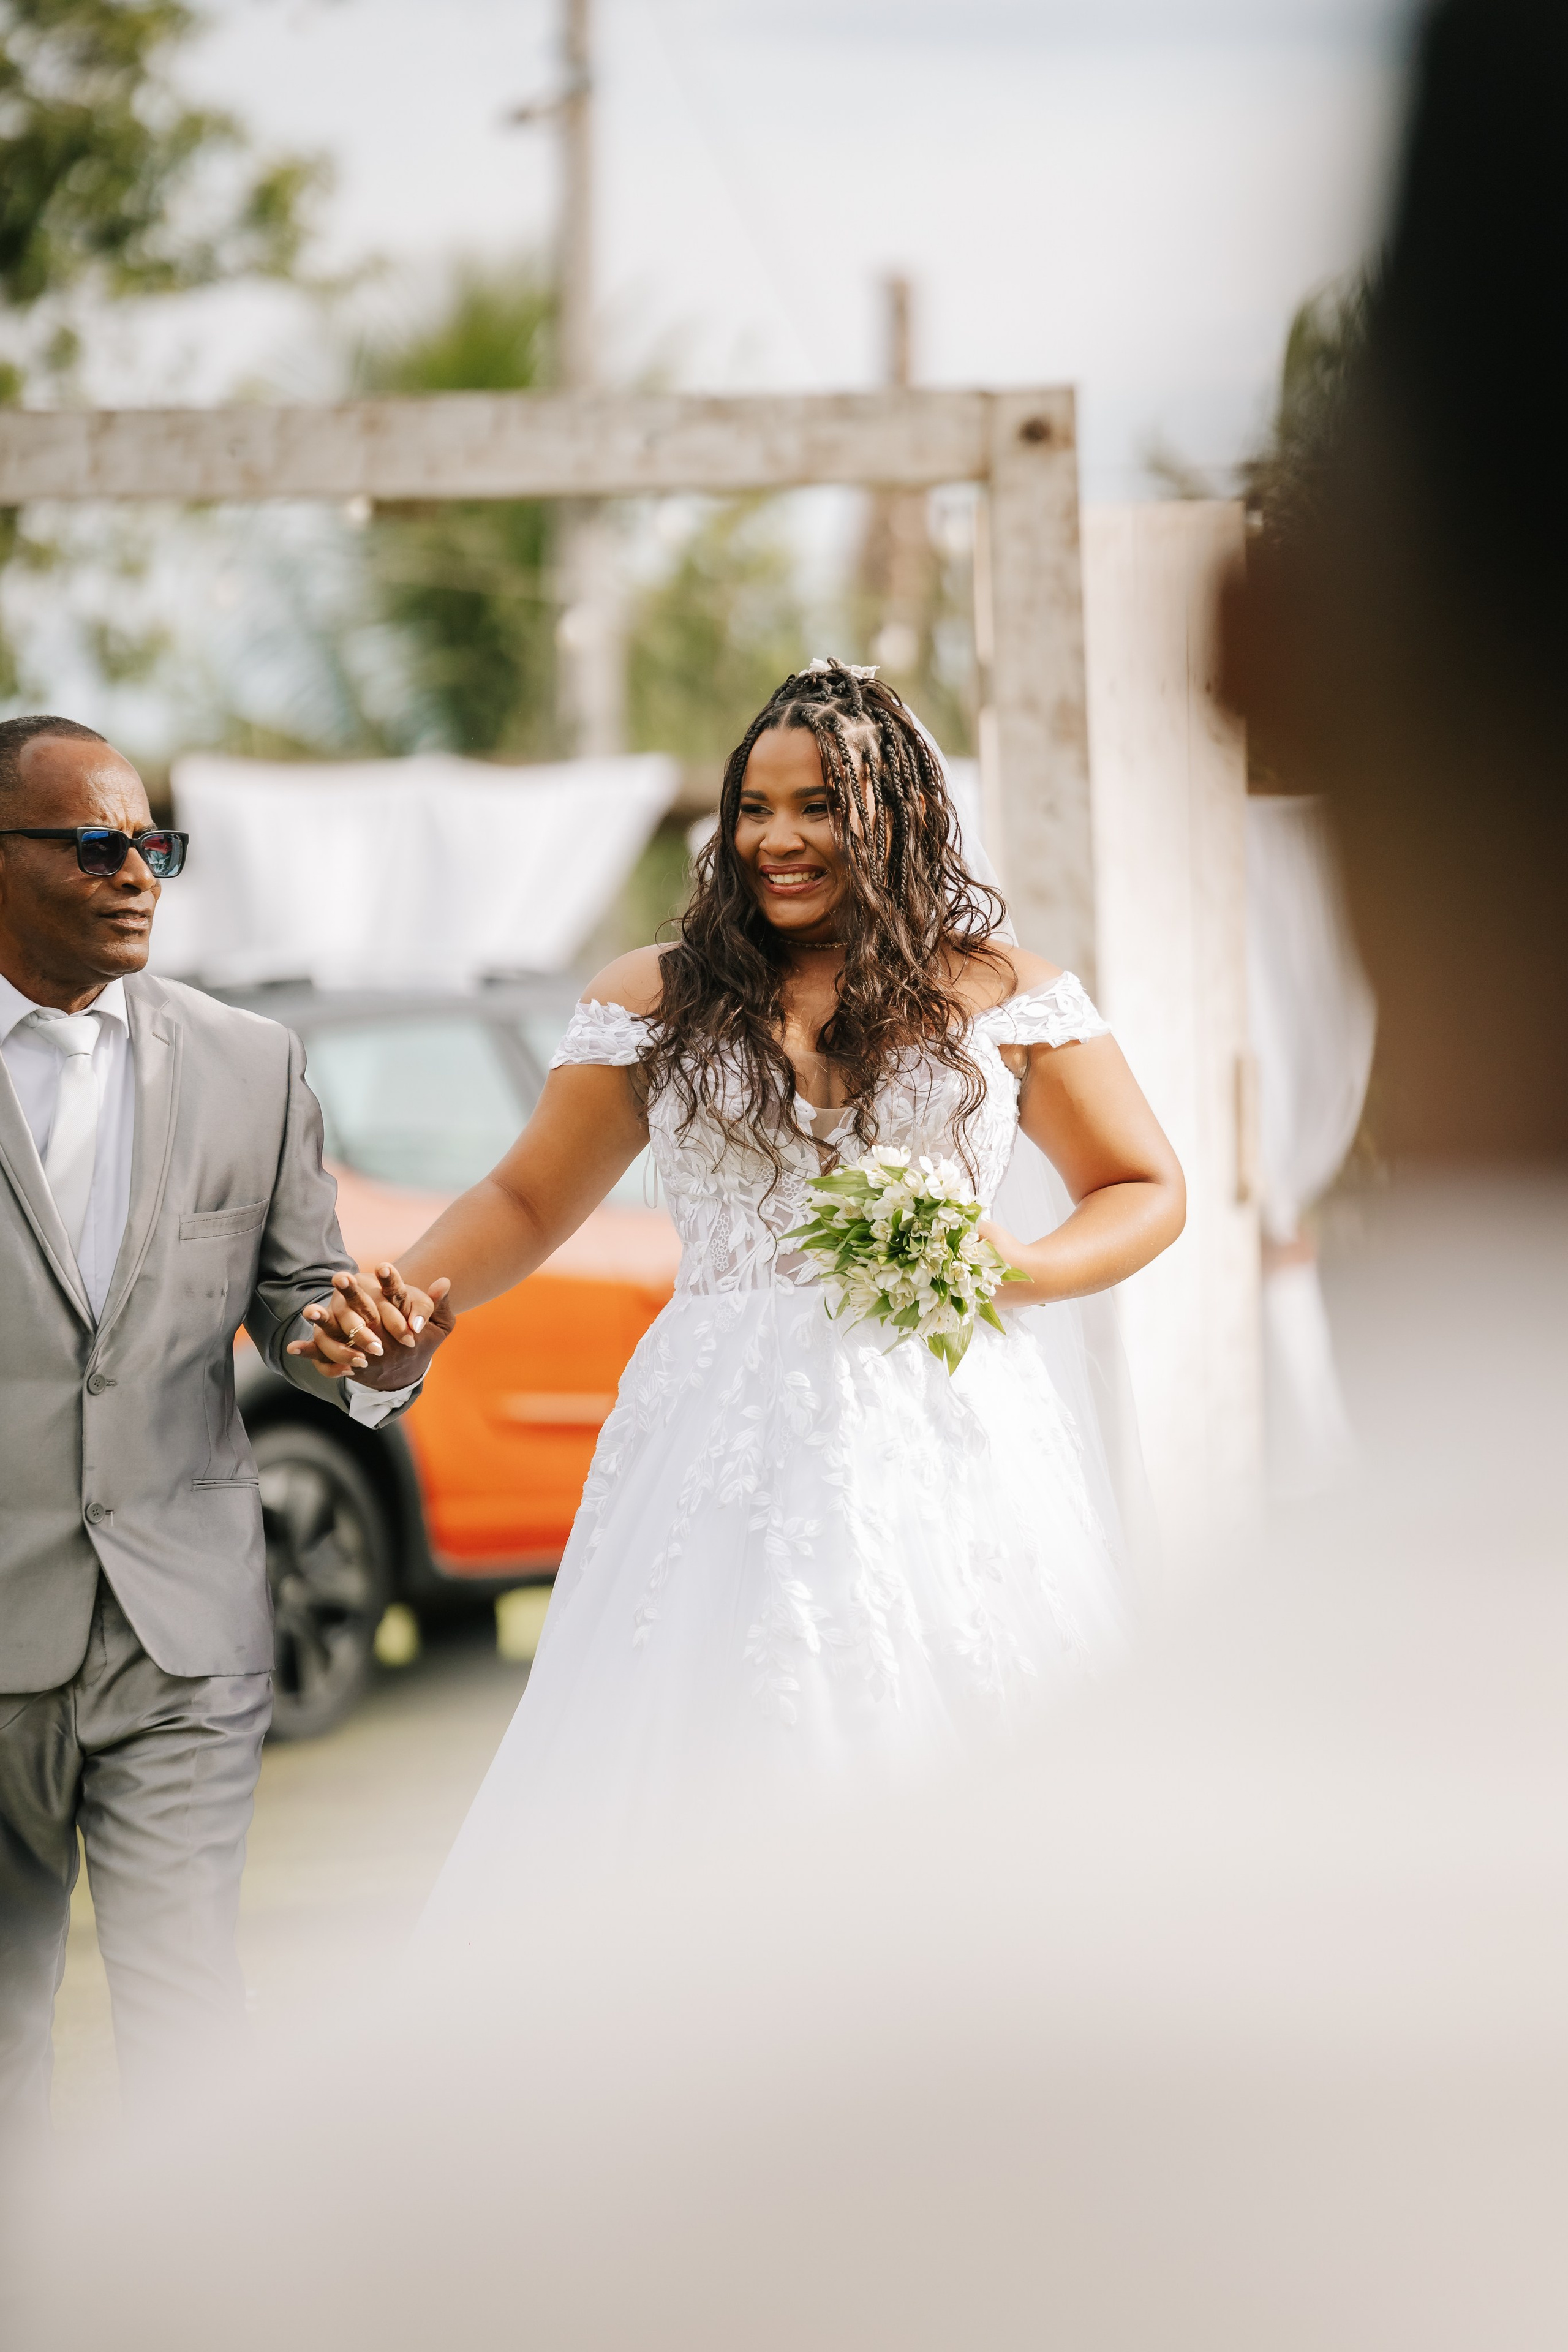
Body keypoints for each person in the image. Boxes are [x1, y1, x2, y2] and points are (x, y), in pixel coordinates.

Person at [292, 659, 1185, 1931]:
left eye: (818, 805)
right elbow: (528, 1201)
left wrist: (1013, 1267)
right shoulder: (653, 997)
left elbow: (1144, 1185)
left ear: (899, 815)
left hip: (950, 1426)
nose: (777, 838)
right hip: (716, 1430)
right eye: (754, 807)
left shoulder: (1004, 993)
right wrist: (411, 1307)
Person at [0, 715, 441, 2142]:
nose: (138, 876)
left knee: (188, 2016)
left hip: (182, 1633)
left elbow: (303, 1302)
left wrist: (369, 1352)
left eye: (153, 847)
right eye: (96, 847)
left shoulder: (250, 1063)